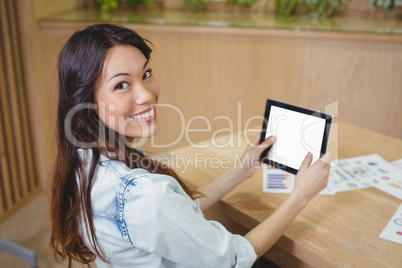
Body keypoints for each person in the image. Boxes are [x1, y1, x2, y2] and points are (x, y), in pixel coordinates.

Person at [49, 24, 332, 268]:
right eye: (121, 85)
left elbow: (174, 218)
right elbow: (233, 259)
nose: (146, 95)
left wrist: (241, 170)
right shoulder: (142, 196)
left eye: (146, 74)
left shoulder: (85, 159)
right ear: (85, 100)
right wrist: (301, 196)